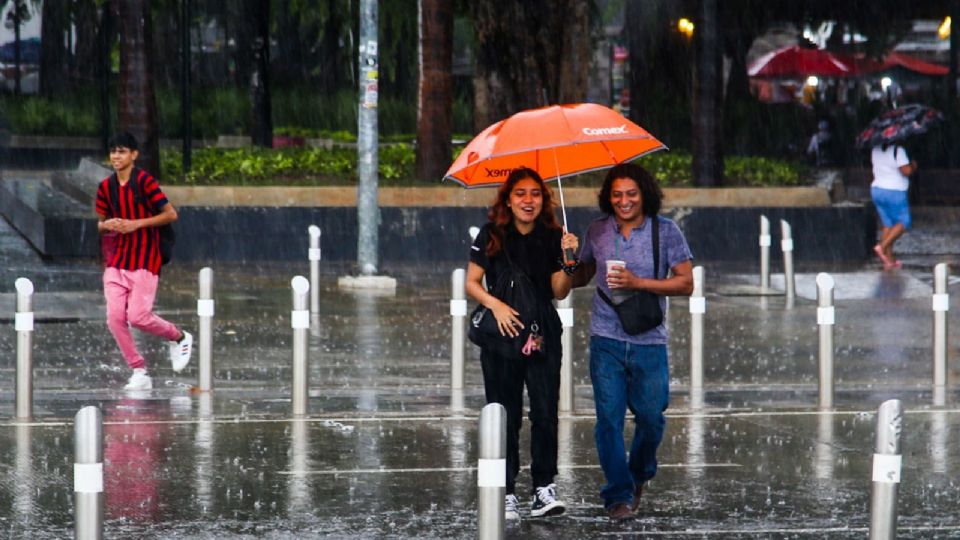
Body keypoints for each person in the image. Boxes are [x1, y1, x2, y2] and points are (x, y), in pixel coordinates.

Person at [571, 163, 693, 520]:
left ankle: (638, 475)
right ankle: (618, 495)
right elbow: (581, 276)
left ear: (644, 195)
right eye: (617, 194)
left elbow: (685, 283)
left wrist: (639, 283)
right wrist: (568, 257)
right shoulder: (597, 230)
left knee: (652, 418)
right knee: (608, 420)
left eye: (631, 194)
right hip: (605, 338)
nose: (624, 201)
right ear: (608, 197)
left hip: (649, 339)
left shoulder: (666, 231)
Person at [465, 167, 579, 521]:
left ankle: (544, 488)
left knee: (545, 412)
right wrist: (495, 305)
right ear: (508, 199)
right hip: (501, 336)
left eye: (535, 194)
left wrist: (570, 260)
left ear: (543, 199)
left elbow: (559, 292)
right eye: (520, 194)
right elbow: (471, 282)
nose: (528, 201)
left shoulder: (555, 235)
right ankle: (507, 491)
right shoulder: (491, 234)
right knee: (505, 415)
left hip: (542, 331)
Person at [95, 131, 192, 390]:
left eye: (122, 151)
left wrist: (136, 224)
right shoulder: (106, 187)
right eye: (113, 151)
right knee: (114, 318)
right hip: (116, 261)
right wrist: (109, 225)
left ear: (134, 155)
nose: (116, 156)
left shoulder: (145, 183)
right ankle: (138, 370)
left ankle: (179, 336)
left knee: (138, 316)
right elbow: (100, 225)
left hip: (145, 259)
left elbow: (171, 214)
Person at [870, 142, 916, 270]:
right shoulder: (898, 150)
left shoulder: (875, 149)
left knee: (888, 224)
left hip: (877, 189)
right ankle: (882, 247)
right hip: (895, 190)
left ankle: (888, 260)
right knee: (903, 222)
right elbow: (906, 171)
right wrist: (913, 165)